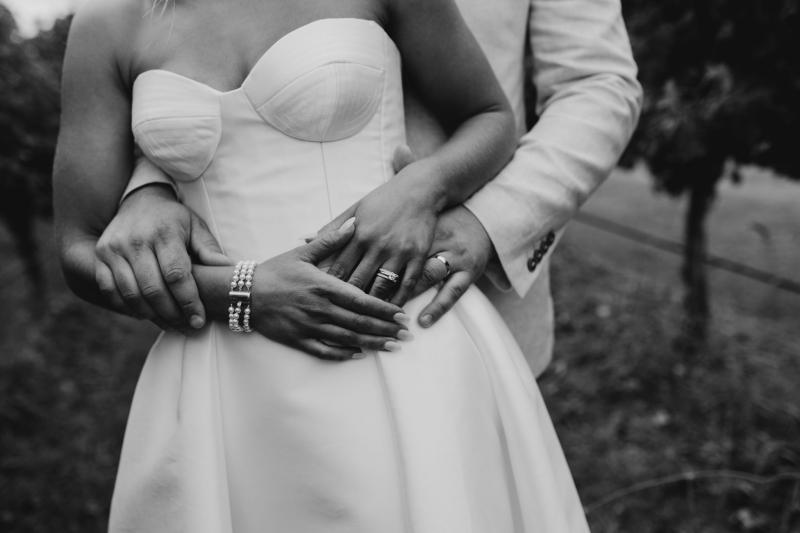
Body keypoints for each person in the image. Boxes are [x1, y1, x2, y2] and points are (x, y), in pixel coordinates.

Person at [54, 0, 600, 531]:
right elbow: (81, 244)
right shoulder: (108, 22)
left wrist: (423, 186)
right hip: (223, 372)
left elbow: (492, 114)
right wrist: (243, 294)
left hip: (397, 336)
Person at [96, 0, 642, 377]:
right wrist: (149, 185)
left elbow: (597, 84)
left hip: (451, 299)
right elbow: (197, 66)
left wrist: (485, 221)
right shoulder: (112, 24)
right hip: (250, 309)